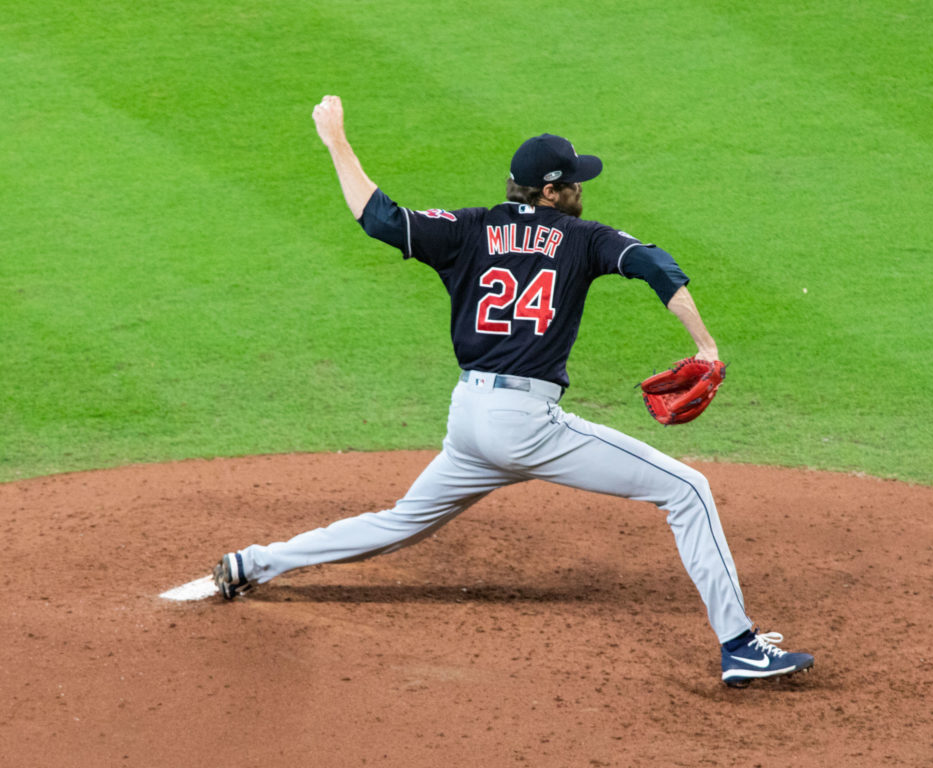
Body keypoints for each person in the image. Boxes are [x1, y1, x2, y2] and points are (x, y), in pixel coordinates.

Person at [212, 95, 815, 687]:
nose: (583, 190)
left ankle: (255, 563)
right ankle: (740, 647)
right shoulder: (584, 238)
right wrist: (706, 346)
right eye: (574, 183)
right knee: (688, 490)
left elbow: (379, 219)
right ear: (550, 192)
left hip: (469, 418)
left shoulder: (468, 228)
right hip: (524, 423)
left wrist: (336, 140)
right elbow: (658, 266)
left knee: (398, 522)